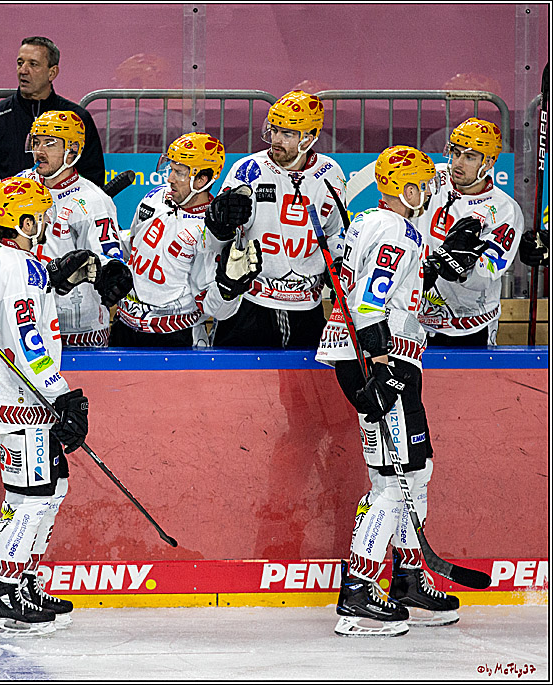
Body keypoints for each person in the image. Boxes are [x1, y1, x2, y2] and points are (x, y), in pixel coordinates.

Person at [317, 146, 460, 637]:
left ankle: (406, 577)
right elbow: (370, 298)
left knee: (417, 472)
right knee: (390, 483)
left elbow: (393, 286)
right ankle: (357, 591)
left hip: (385, 358)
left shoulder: (371, 224)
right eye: (422, 186)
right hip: (380, 362)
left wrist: (438, 262)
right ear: (407, 189)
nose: (427, 194)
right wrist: (381, 367)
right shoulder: (394, 229)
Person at [0, 177, 88, 636]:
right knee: (29, 497)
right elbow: (27, 336)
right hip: (22, 397)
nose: (47, 223)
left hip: (5, 391)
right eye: (41, 216)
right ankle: (5, 589)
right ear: (27, 221)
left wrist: (51, 278)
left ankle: (26, 580)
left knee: (51, 489)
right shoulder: (17, 265)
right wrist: (61, 392)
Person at [212, 90, 348, 349]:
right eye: (274, 130)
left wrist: (339, 262)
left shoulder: (331, 173)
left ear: (309, 138)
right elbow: (222, 232)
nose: (275, 139)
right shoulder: (248, 168)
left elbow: (334, 232)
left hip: (307, 305)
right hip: (252, 303)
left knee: (307, 387)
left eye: (287, 134)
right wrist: (219, 220)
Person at [111, 132, 262, 347]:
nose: (170, 178)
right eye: (170, 169)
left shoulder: (213, 230)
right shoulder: (155, 197)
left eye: (179, 172)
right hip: (125, 326)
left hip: (175, 336)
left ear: (202, 179)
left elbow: (216, 309)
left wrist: (229, 289)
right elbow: (132, 245)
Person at [17, 110, 133, 347]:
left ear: (72, 151)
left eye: (50, 144)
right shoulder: (18, 186)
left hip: (78, 328)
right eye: (36, 142)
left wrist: (109, 272)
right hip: (27, 321)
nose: (39, 151)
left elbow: (108, 260)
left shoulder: (94, 201)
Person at [416, 118, 523, 346]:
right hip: (416, 320)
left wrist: (460, 268)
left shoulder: (505, 210)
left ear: (489, 161)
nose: (458, 163)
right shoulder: (431, 178)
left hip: (469, 325)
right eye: (455, 153)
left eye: (470, 157)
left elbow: (486, 275)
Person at [0, 36, 105, 186]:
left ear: (52, 73)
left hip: (63, 207)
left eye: (33, 64)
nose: (23, 71)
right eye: (20, 63)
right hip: (5, 206)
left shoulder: (77, 118)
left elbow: (92, 176)